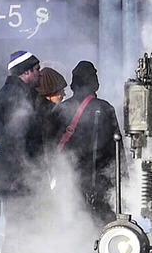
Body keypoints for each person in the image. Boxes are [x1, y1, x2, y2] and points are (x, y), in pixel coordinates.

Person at [0, 49, 44, 253]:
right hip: (19, 181)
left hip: (15, 178)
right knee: (20, 237)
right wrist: (32, 175)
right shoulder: (16, 98)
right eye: (37, 68)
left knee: (24, 236)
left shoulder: (17, 95)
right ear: (26, 71)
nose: (40, 73)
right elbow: (18, 142)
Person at [52, 60, 122, 227]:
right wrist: (122, 177)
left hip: (69, 180)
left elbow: (50, 146)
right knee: (102, 227)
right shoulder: (105, 108)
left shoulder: (61, 110)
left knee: (72, 224)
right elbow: (117, 149)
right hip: (101, 183)